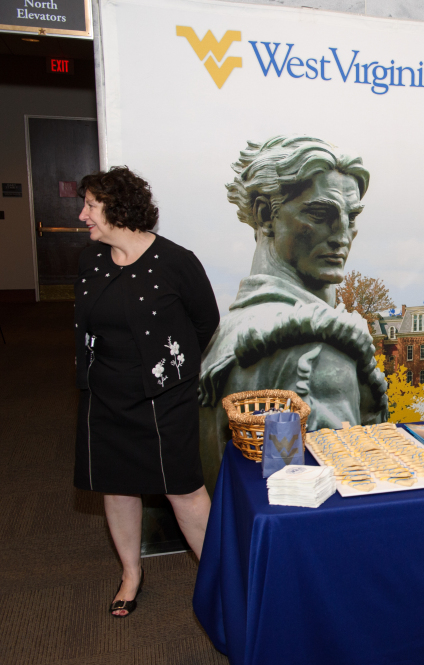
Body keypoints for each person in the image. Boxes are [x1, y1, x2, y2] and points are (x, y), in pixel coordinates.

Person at [199, 135, 388, 492]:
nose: (343, 235)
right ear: (264, 213)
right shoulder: (314, 348)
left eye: (351, 217)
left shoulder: (239, 325)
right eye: (321, 214)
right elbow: (336, 487)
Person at [74, 166, 220, 617]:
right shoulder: (91, 261)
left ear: (117, 209)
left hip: (163, 398)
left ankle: (221, 577)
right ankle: (131, 574)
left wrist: (170, 369)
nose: (83, 216)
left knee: (184, 491)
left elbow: (206, 322)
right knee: (116, 488)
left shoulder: (177, 262)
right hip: (105, 395)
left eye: (91, 206)